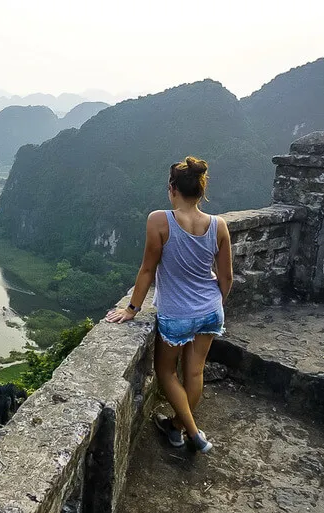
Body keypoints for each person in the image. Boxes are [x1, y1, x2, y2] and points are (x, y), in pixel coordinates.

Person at [106, 156, 233, 453]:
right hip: (211, 310)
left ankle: (194, 434)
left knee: (165, 373)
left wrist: (132, 309)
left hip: (177, 314)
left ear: (172, 189)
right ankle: (176, 427)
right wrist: (215, 303)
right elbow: (226, 276)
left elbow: (147, 269)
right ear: (201, 190)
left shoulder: (159, 220)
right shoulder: (219, 226)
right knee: (194, 373)